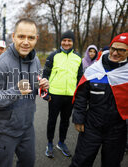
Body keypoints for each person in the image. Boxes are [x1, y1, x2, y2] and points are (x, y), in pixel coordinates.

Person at [0, 18, 49, 167]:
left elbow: (33, 87)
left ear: (36, 39)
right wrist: (16, 90)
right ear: (13, 36)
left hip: (27, 127)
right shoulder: (0, 64)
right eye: (21, 37)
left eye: (31, 38)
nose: (26, 42)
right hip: (4, 131)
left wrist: (42, 86)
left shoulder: (35, 61)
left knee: (28, 163)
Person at [70, 33, 128, 167]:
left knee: (112, 164)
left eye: (121, 50)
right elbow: (81, 96)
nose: (115, 53)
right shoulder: (94, 69)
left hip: (117, 129)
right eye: (113, 48)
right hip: (91, 126)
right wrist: (78, 118)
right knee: (80, 162)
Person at [43, 30, 83, 158]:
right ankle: (49, 143)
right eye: (64, 40)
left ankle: (61, 142)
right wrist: (46, 93)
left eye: (69, 41)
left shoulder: (78, 58)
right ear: (61, 41)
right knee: (52, 121)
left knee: (65, 121)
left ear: (72, 42)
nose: (66, 43)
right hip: (54, 95)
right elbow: (45, 76)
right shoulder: (53, 56)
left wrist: (78, 95)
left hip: (70, 96)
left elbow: (80, 78)